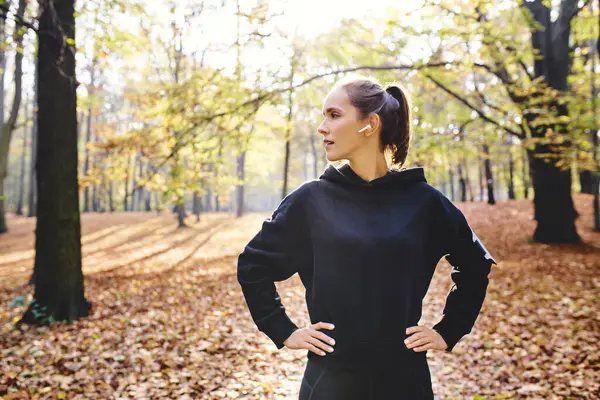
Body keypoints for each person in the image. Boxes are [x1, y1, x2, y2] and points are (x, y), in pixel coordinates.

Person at [237, 76, 497, 399]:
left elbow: (476, 265)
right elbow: (252, 265)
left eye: (334, 115)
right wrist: (283, 330)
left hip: (406, 384)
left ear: (369, 124)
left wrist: (449, 330)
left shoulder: (424, 202)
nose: (322, 127)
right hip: (329, 383)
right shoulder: (311, 201)